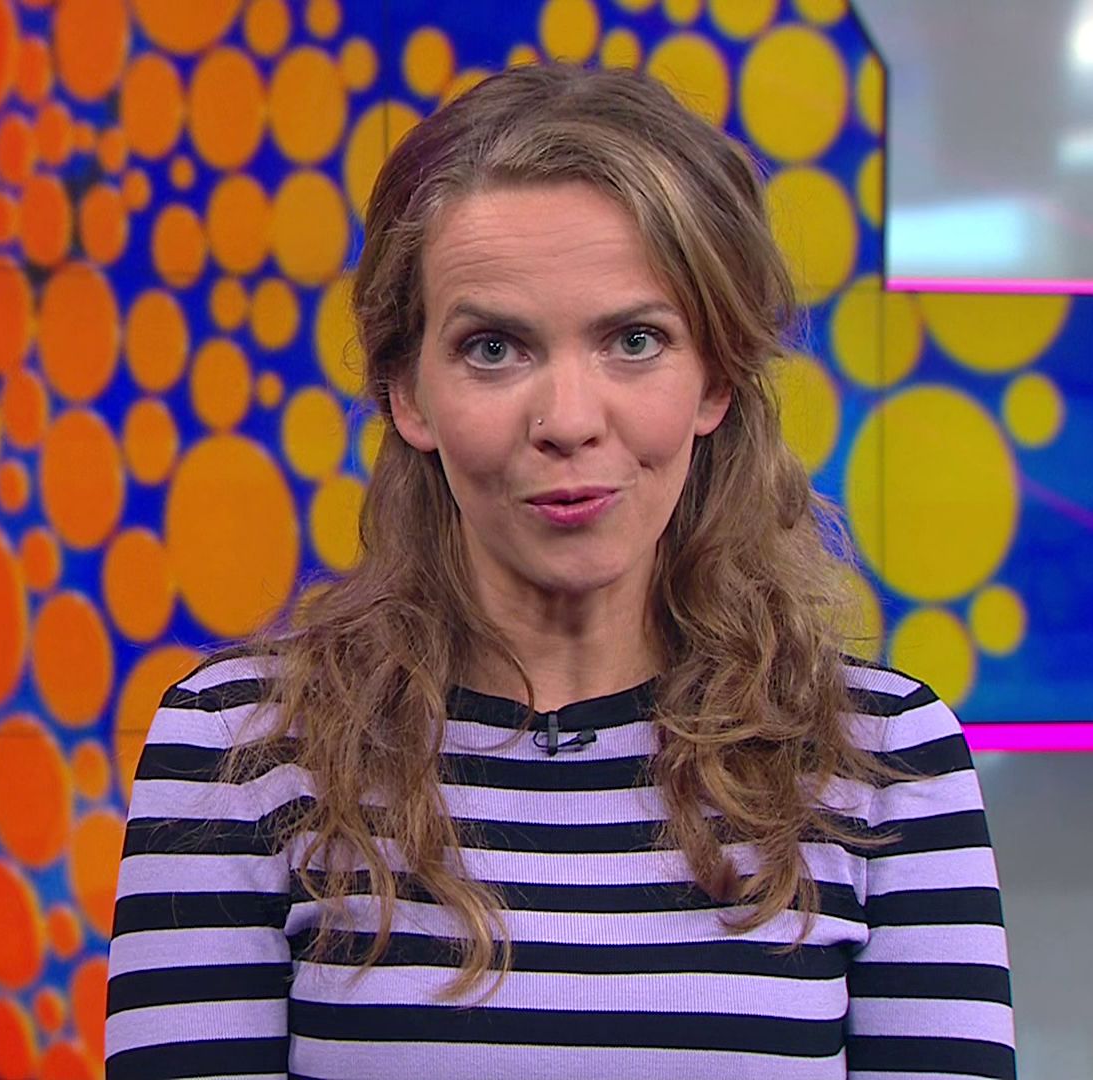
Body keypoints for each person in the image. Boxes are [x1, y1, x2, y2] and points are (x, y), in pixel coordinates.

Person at [104, 63, 1014, 1080]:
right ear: (408, 394)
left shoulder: (882, 764)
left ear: (715, 380)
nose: (569, 422)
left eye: (636, 340)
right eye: (494, 349)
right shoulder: (242, 750)